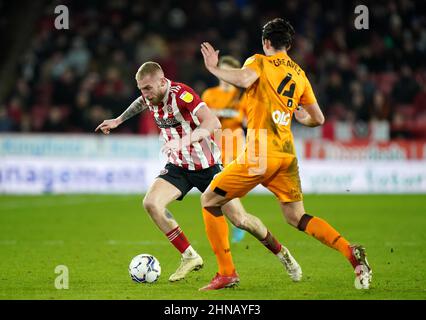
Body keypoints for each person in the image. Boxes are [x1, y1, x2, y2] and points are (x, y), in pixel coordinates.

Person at [200, 18, 372, 290]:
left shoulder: (258, 61)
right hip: (286, 154)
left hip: (260, 153)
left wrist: (213, 67)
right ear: (289, 45)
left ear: (266, 42)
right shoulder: (300, 74)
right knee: (296, 217)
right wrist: (298, 114)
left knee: (209, 200)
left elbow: (244, 79)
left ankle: (227, 272)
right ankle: (351, 254)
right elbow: (318, 118)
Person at [95, 61, 233, 282]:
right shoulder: (151, 97)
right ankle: (189, 255)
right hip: (178, 166)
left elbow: (212, 122)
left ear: (162, 82)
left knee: (240, 219)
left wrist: (182, 142)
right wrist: (119, 120)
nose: (145, 93)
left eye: (148, 88)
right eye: (141, 88)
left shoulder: (182, 94)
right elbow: (141, 102)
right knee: (151, 203)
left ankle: (280, 251)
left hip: (207, 167)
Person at [202, 55, 247, 243]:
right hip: (216, 143)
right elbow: (204, 119)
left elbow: (246, 120)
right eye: (222, 70)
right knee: (221, 187)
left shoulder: (242, 95)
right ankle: (239, 220)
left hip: (235, 143)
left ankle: (238, 221)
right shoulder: (209, 94)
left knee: (224, 185)